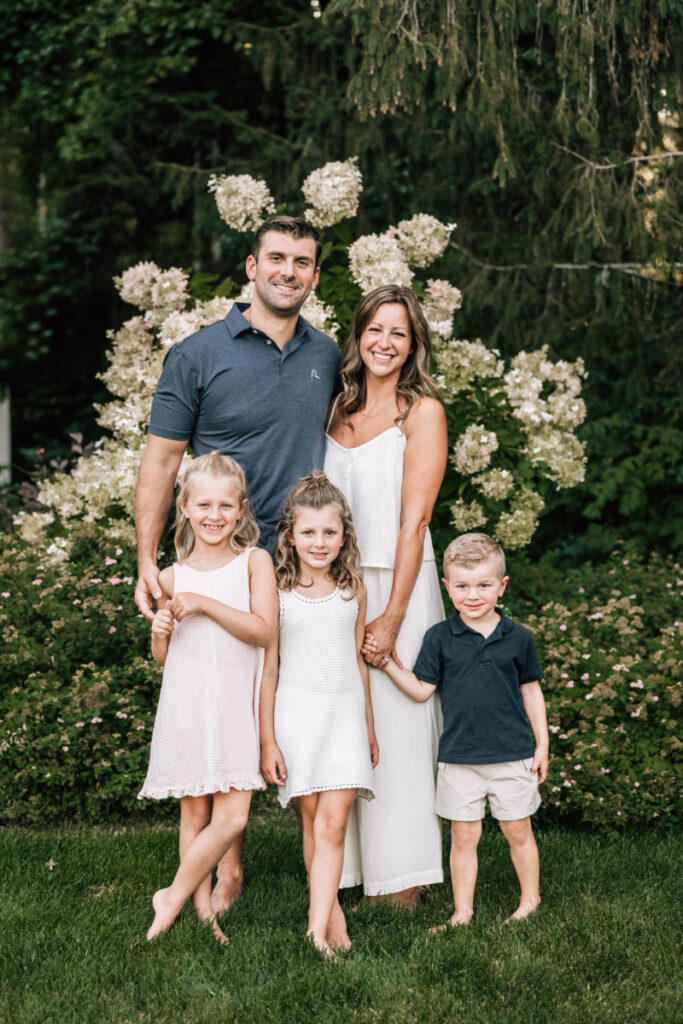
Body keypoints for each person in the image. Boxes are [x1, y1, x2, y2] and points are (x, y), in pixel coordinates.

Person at [135, 215, 340, 910]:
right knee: (219, 698)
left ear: (314, 276)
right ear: (251, 268)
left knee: (305, 701)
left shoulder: (328, 354)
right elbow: (162, 459)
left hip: (306, 560)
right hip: (223, 557)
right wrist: (145, 557)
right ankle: (223, 871)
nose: (289, 271)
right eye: (276, 258)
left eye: (302, 262)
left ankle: (331, 865)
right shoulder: (197, 354)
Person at [324, 284, 448, 906]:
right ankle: (343, 871)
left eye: (399, 332)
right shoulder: (335, 408)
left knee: (398, 731)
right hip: (334, 585)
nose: (385, 342)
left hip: (397, 582)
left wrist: (394, 615)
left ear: (413, 344)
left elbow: (414, 522)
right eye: (376, 329)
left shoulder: (420, 413)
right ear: (360, 335)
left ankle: (402, 878)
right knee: (341, 725)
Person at [370, 532, 549, 927]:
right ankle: (462, 911)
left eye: (484, 585)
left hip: (513, 754)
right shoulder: (439, 638)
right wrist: (388, 665)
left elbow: (531, 691)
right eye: (463, 586)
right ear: (447, 586)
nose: (473, 595)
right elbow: (421, 691)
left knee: (517, 830)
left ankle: (530, 900)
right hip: (460, 758)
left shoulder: (518, 638)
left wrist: (542, 746)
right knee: (464, 838)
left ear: (501, 586)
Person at [139, 452, 278, 942]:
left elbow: (263, 632)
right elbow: (164, 656)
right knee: (194, 813)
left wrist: (205, 604)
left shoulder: (253, 563)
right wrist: (161, 629)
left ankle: (170, 895)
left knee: (233, 817)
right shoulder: (172, 578)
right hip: (188, 707)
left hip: (234, 709)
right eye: (203, 504)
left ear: (240, 510)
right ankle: (202, 910)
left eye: (225, 505)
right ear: (184, 506)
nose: (214, 515)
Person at [260, 473, 379, 956]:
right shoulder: (276, 589)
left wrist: (369, 725)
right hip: (298, 715)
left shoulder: (354, 589)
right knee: (313, 826)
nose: (319, 542)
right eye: (308, 532)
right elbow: (269, 670)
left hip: (345, 715)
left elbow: (357, 661)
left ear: (344, 536)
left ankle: (315, 930)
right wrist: (268, 739)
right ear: (290, 535)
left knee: (333, 826)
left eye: (330, 532)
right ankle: (331, 918)